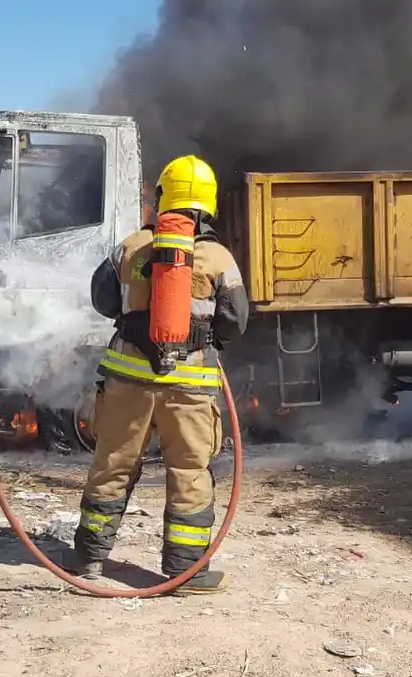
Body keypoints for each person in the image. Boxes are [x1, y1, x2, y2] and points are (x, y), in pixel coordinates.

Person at [64, 154, 250, 595]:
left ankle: (88, 560)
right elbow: (236, 320)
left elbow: (102, 301)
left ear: (163, 197)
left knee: (112, 465)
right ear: (208, 204)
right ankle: (186, 572)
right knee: (188, 471)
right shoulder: (218, 257)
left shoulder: (130, 247)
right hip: (188, 387)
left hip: (127, 382)